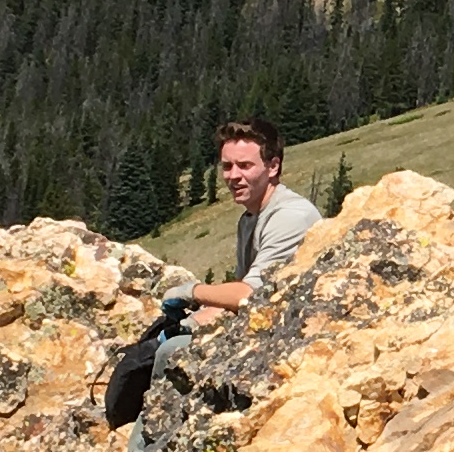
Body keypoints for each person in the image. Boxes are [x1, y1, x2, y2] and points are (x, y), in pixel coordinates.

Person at [101, 118, 323, 433]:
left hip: (297, 337)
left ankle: (147, 449)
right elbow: (239, 296)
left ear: (273, 166)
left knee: (170, 355)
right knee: (163, 341)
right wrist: (191, 322)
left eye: (245, 165)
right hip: (269, 325)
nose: (233, 176)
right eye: (227, 166)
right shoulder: (252, 216)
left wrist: (193, 291)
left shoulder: (289, 217)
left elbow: (249, 295)